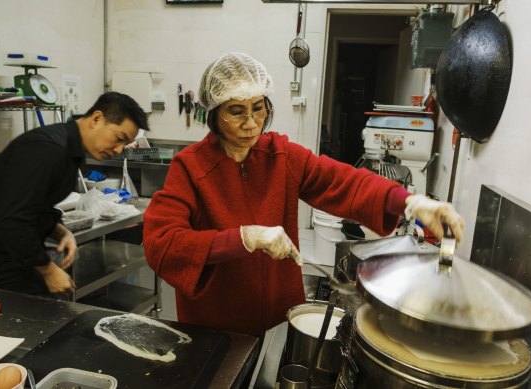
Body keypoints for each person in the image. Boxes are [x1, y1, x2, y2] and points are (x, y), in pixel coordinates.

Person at [142, 52, 464, 337]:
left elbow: (343, 181)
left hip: (282, 324)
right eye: (236, 111)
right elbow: (162, 243)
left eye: (259, 108)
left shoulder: (281, 156)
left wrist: (408, 202)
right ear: (213, 113)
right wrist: (242, 238)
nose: (252, 123)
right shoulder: (191, 168)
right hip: (217, 330)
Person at [0, 92, 149, 296]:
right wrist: (48, 269)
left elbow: (35, 207)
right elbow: (13, 219)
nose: (118, 149)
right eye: (119, 138)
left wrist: (60, 231)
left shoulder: (70, 150)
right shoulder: (47, 149)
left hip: (15, 261)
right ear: (97, 119)